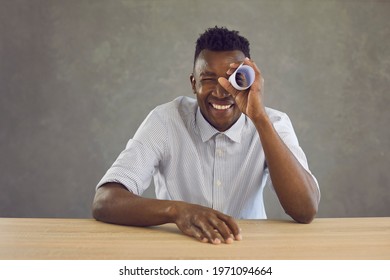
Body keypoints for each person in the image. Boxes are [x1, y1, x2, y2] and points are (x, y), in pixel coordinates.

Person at [92, 26, 320, 245]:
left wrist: (259, 118)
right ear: (193, 83)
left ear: (251, 81)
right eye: (209, 79)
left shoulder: (274, 123)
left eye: (235, 79)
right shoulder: (165, 120)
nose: (221, 92)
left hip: (248, 250)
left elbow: (305, 210)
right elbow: (104, 201)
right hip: (177, 250)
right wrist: (177, 210)